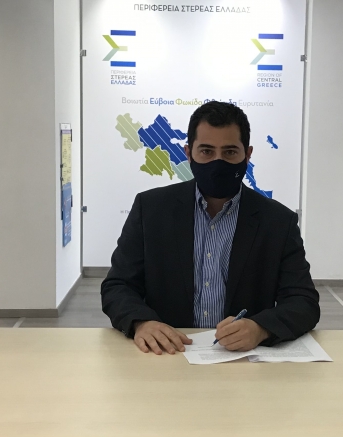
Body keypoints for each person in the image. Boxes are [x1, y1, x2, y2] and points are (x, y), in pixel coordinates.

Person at [101, 101, 320, 355]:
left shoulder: (278, 221)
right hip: (168, 354)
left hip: (243, 360)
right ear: (188, 153)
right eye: (206, 151)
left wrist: (261, 328)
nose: (218, 162)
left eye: (230, 152)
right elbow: (118, 285)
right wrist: (141, 322)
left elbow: (303, 301)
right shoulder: (150, 210)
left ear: (247, 155)